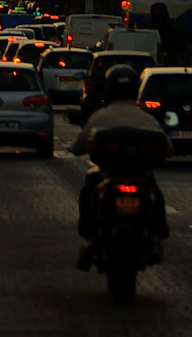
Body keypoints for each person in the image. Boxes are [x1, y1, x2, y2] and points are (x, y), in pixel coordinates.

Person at [72, 65, 170, 270]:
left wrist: (76, 148)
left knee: (89, 185)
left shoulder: (100, 116)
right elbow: (168, 147)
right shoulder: (146, 117)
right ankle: (156, 238)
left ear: (109, 90)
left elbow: (79, 146)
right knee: (155, 192)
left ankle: (90, 238)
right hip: (139, 173)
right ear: (135, 90)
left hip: (109, 173)